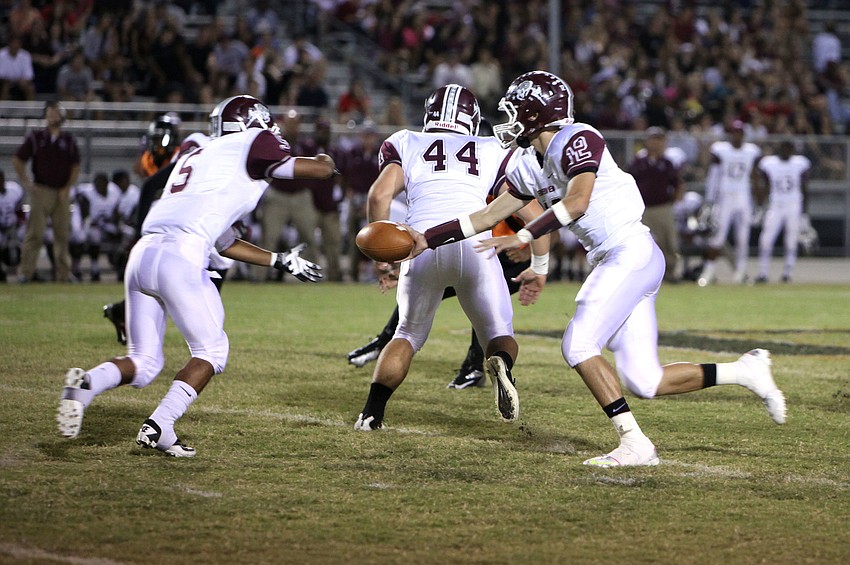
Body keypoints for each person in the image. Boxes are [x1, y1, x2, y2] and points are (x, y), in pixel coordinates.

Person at [407, 71, 786, 467]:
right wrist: (426, 239)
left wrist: (523, 238)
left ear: (536, 112)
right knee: (645, 380)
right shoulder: (526, 163)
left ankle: (635, 444)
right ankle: (745, 370)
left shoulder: (578, 137)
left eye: (516, 109)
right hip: (618, 259)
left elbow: (578, 202)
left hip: (631, 251)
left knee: (578, 344)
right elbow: (487, 215)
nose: (509, 118)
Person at [57, 94, 336, 457]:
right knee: (212, 350)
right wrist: (326, 159)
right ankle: (161, 423)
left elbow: (225, 241)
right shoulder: (253, 141)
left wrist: (278, 260)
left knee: (144, 361)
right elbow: (316, 170)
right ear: (252, 121)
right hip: (182, 254)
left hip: (144, 252)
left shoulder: (197, 157)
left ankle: (86, 385)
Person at [353, 84, 550, 431]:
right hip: (476, 246)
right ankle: (500, 364)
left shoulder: (406, 141)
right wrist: (538, 263)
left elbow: (379, 194)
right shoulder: (493, 147)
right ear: (472, 119)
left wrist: (384, 256)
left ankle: (371, 414)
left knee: (408, 335)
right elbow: (531, 211)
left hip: (420, 244)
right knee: (499, 333)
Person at [13, 101, 80, 283]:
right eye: (50, 114)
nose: (53, 117)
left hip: (62, 192)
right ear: (45, 117)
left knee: (62, 234)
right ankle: (26, 272)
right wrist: (27, 182)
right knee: (35, 233)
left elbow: (75, 165)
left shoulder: (68, 140)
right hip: (41, 190)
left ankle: (64, 274)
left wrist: (67, 187)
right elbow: (18, 159)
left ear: (62, 117)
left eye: (56, 114)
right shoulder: (36, 138)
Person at [697, 120, 762, 286]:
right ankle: (709, 271)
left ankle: (741, 272)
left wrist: (758, 201)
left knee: (743, 238)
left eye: (739, 133)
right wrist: (710, 201)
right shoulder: (721, 150)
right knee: (717, 236)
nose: (737, 136)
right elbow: (714, 176)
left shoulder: (751, 151)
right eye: (734, 132)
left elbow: (755, 177)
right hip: (724, 197)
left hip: (743, 197)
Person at [629, 127, 683, 282]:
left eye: (659, 139)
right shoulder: (639, 162)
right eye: (653, 139)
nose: (656, 143)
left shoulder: (667, 163)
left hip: (662, 207)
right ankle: (639, 275)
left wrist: (675, 202)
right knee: (639, 243)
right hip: (642, 208)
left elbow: (677, 184)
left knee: (669, 242)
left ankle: (671, 273)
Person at [755, 141, 812, 283]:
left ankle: (787, 273)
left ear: (792, 150)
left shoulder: (799, 163)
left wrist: (804, 213)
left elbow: (805, 188)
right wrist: (760, 206)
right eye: (783, 148)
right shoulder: (770, 163)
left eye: (788, 148)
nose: (786, 151)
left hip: (793, 205)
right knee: (766, 239)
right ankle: (763, 273)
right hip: (776, 205)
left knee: (791, 240)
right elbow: (766, 185)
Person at [0, 170, 25, 282]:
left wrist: (19, 225)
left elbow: (20, 212)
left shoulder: (13, 190)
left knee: (28, 236)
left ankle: (26, 271)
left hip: (13, 226)